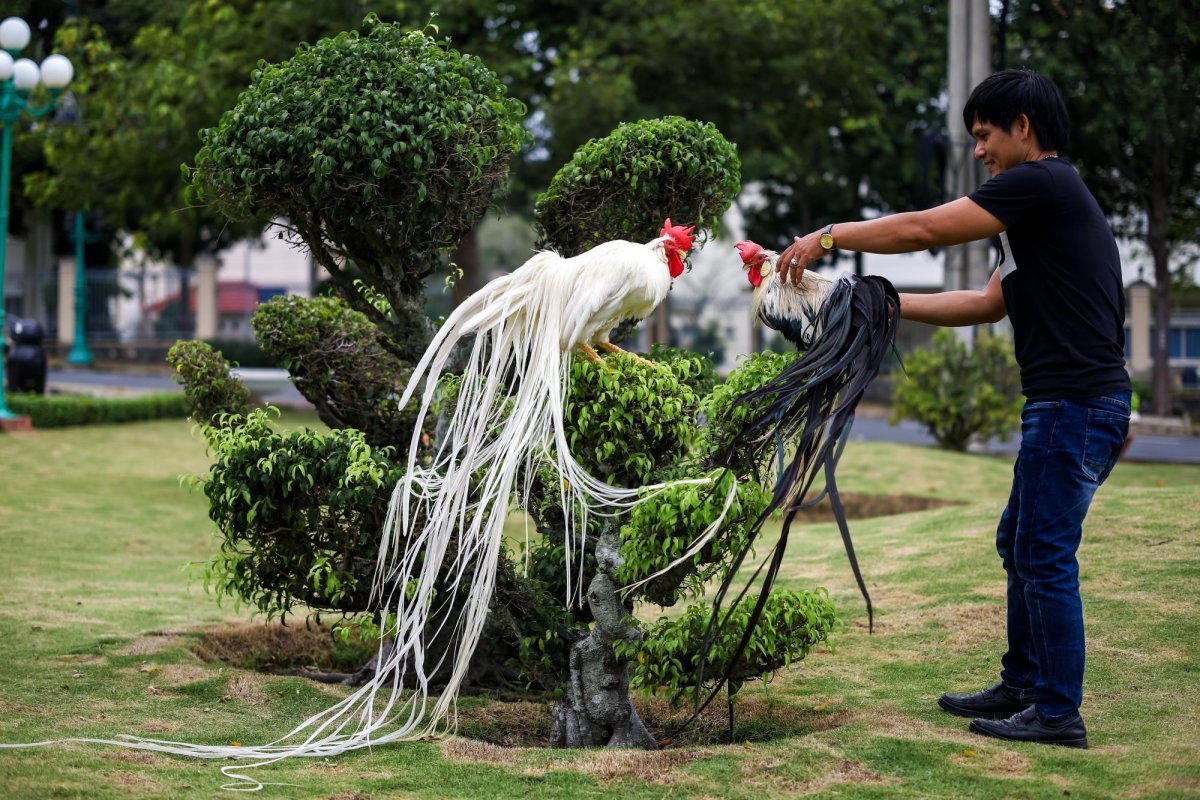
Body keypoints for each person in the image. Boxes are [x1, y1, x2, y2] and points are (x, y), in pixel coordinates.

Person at [776, 68, 1130, 749]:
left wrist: (828, 236)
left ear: (1023, 127)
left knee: (1044, 554)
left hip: (1074, 405)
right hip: (1072, 405)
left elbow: (922, 230)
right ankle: (1024, 684)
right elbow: (986, 303)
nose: (979, 152)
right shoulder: (1043, 206)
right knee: (1020, 544)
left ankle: (1058, 712)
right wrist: (885, 304)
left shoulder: (1041, 184)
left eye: (984, 135)